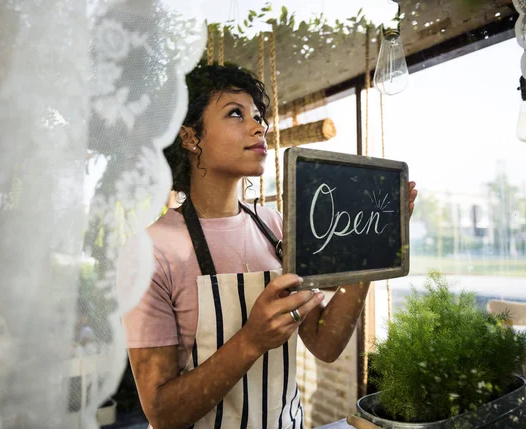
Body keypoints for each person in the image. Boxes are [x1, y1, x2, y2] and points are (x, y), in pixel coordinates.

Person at [121, 62, 418, 429]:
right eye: (235, 113)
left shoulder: (276, 226)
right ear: (190, 137)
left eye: (259, 116)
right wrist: (251, 340)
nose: (259, 126)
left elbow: (325, 345)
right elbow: (162, 413)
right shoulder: (150, 250)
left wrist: (370, 244)